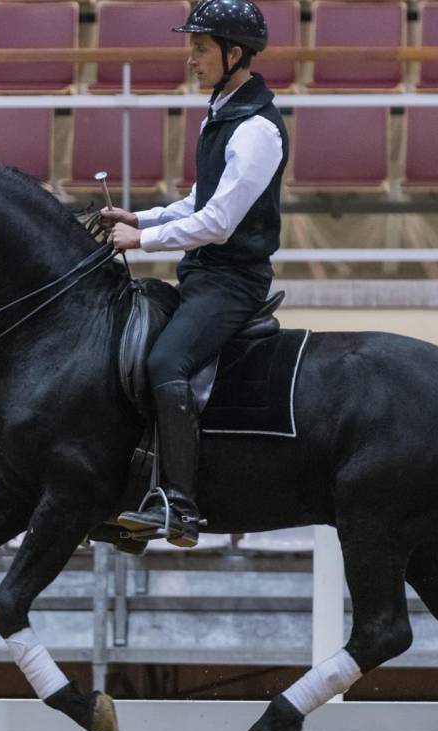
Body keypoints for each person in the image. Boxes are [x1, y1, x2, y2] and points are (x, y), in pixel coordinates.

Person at [104, 0, 289, 547]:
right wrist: (140, 217)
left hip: (234, 281)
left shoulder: (257, 130)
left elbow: (219, 222)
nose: (191, 59)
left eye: (201, 48)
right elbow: (198, 201)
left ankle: (180, 506)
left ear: (235, 54)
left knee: (167, 360)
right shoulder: (222, 112)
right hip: (203, 274)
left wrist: (142, 241)